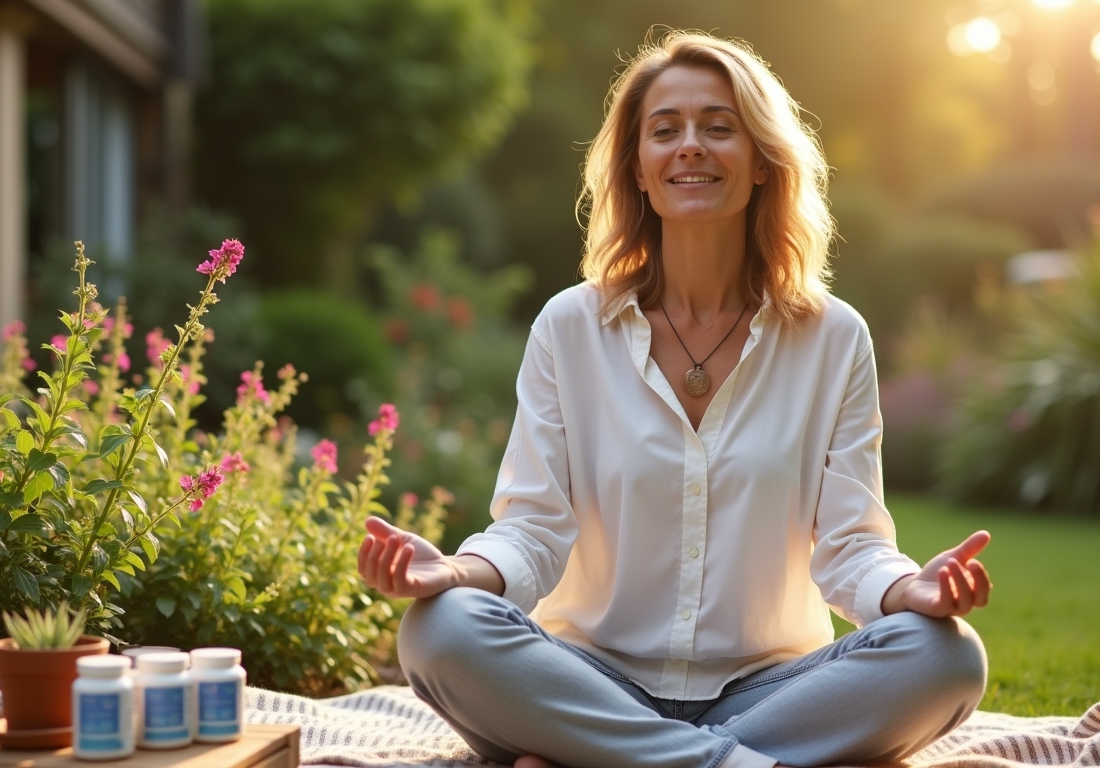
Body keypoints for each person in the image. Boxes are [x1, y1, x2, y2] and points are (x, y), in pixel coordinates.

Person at [358, 30, 992, 768]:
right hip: (594, 678)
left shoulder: (833, 337)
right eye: (666, 131)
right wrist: (457, 574)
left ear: (760, 161)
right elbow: (532, 527)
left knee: (946, 657)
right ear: (639, 168)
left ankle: (602, 758)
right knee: (441, 631)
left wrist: (907, 588)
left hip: (771, 689)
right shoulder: (570, 327)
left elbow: (850, 544)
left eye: (718, 127)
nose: (690, 145)